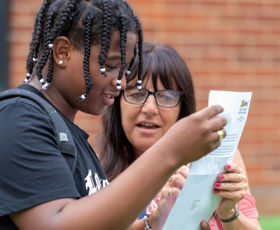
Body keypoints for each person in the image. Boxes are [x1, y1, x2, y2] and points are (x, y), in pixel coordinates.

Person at [0, 1, 227, 230]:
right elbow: (55, 224)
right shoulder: (18, 117)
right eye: (110, 65)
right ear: (62, 52)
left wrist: (154, 223)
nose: (121, 82)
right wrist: (171, 151)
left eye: (125, 69)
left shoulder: (67, 133)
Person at [98, 42, 261, 230]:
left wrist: (228, 214)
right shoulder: (97, 170)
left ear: (182, 108)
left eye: (166, 97)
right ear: (117, 104)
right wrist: (153, 221)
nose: (150, 109)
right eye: (136, 94)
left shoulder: (219, 155)